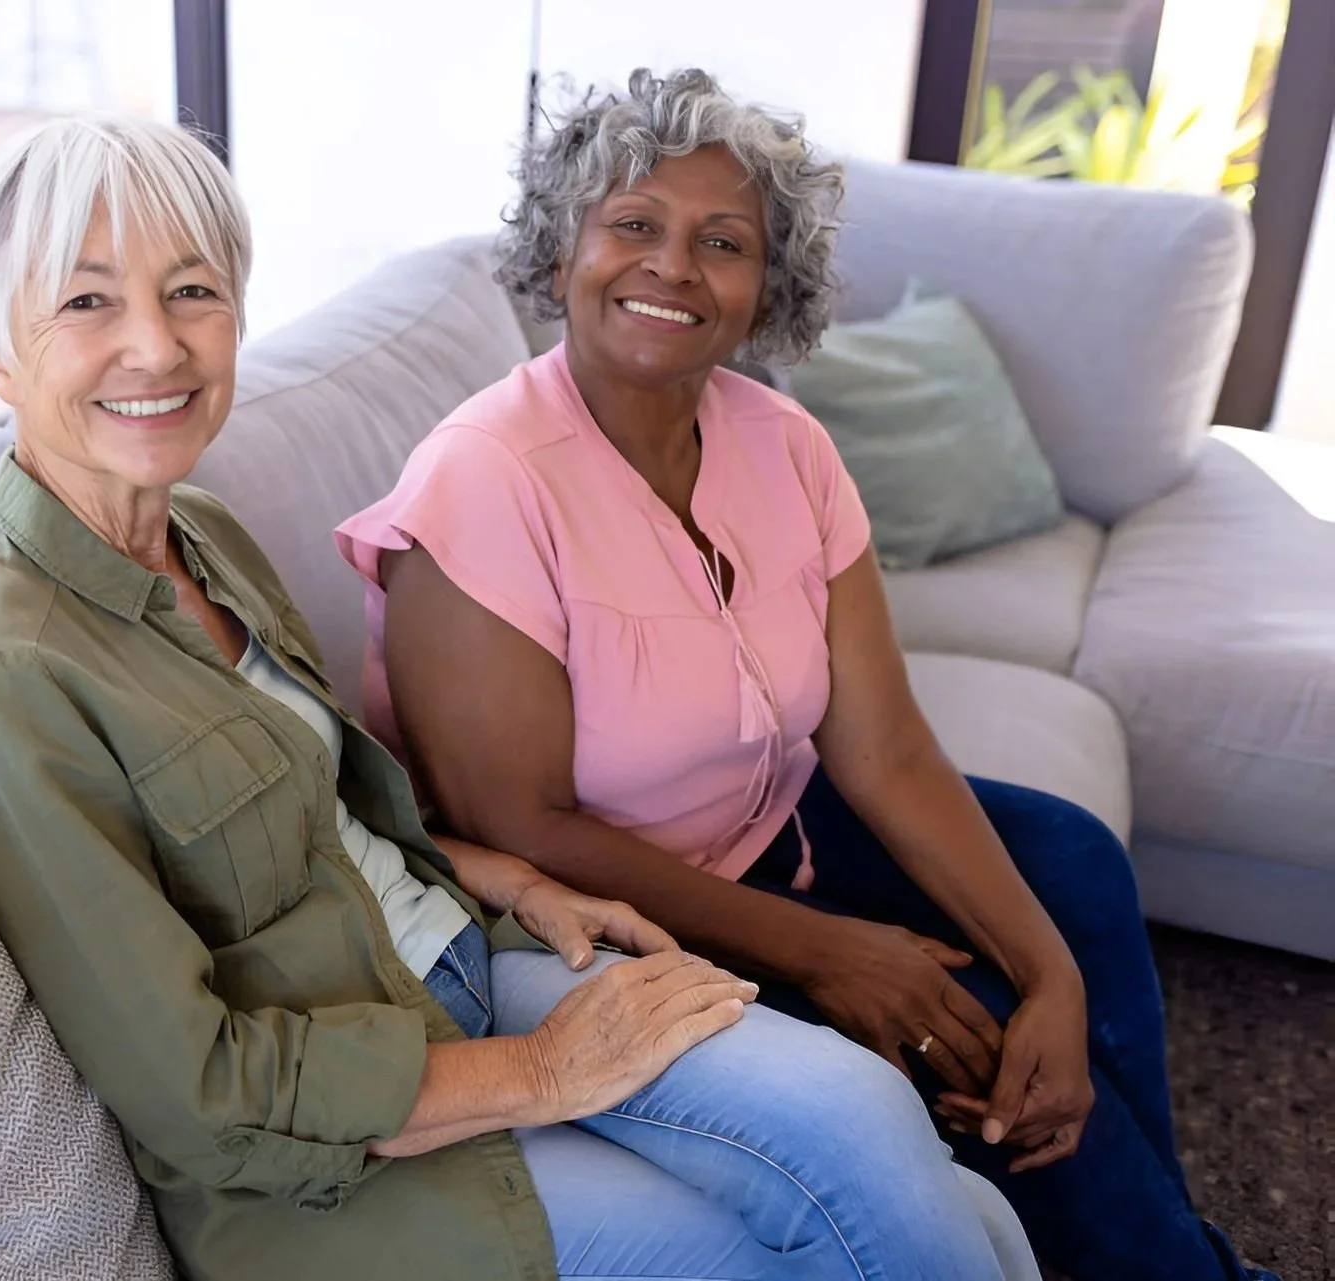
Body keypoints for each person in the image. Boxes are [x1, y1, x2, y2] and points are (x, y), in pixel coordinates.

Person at [0, 113, 1043, 1281]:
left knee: (912, 1163)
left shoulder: (196, 532)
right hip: (334, 1163)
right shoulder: (0, 675)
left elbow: (317, 809)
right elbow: (200, 1095)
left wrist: (513, 878)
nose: (156, 348)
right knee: (818, 1238)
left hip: (458, 962)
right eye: (87, 305)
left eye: (191, 292)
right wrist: (546, 1075)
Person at [337, 68, 1276, 1281]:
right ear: (563, 243)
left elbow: (882, 746)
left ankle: (1160, 1247)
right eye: (633, 225)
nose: (671, 267)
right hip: (596, 926)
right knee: (956, 1032)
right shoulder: (484, 480)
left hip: (773, 824)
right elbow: (516, 821)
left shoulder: (786, 444)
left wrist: (1056, 974)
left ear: (764, 288)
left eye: (721, 243)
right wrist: (827, 952)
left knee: (1072, 875)